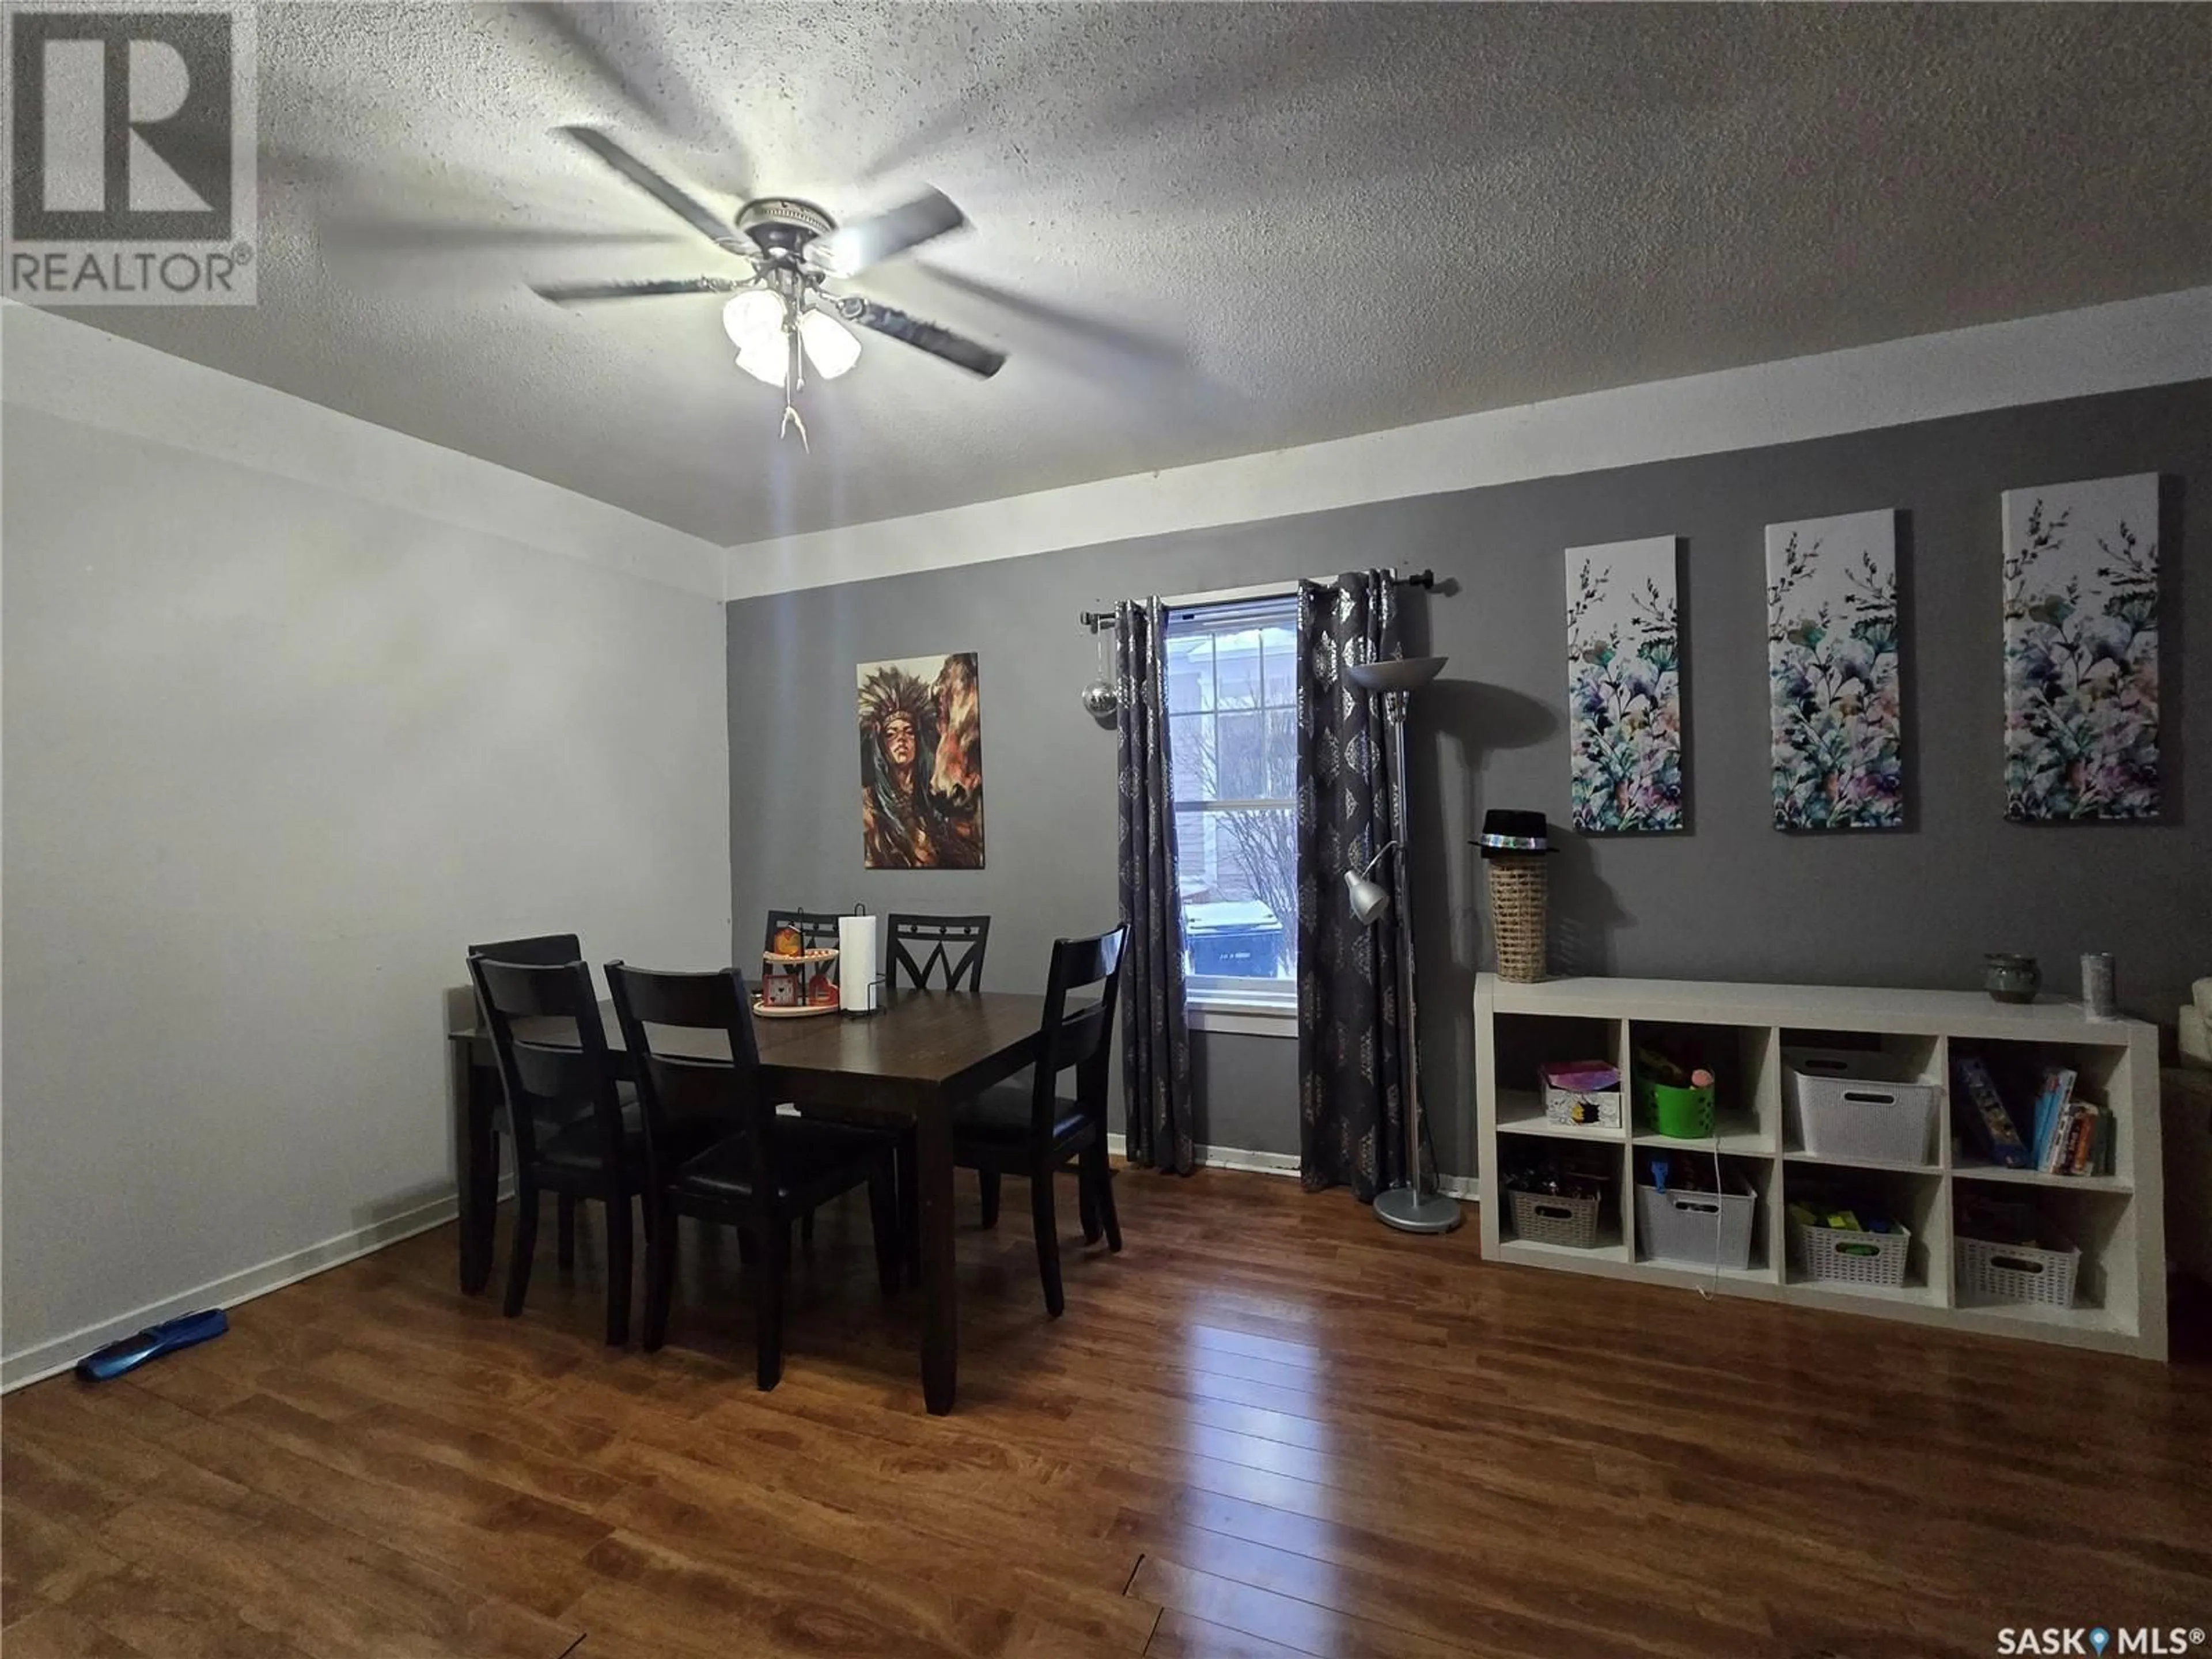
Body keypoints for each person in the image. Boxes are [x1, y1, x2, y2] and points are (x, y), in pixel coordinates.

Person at [858, 665, 938, 868]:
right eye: (891, 734)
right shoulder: (868, 804)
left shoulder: (933, 798)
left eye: (908, 731)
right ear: (880, 744)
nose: (901, 739)